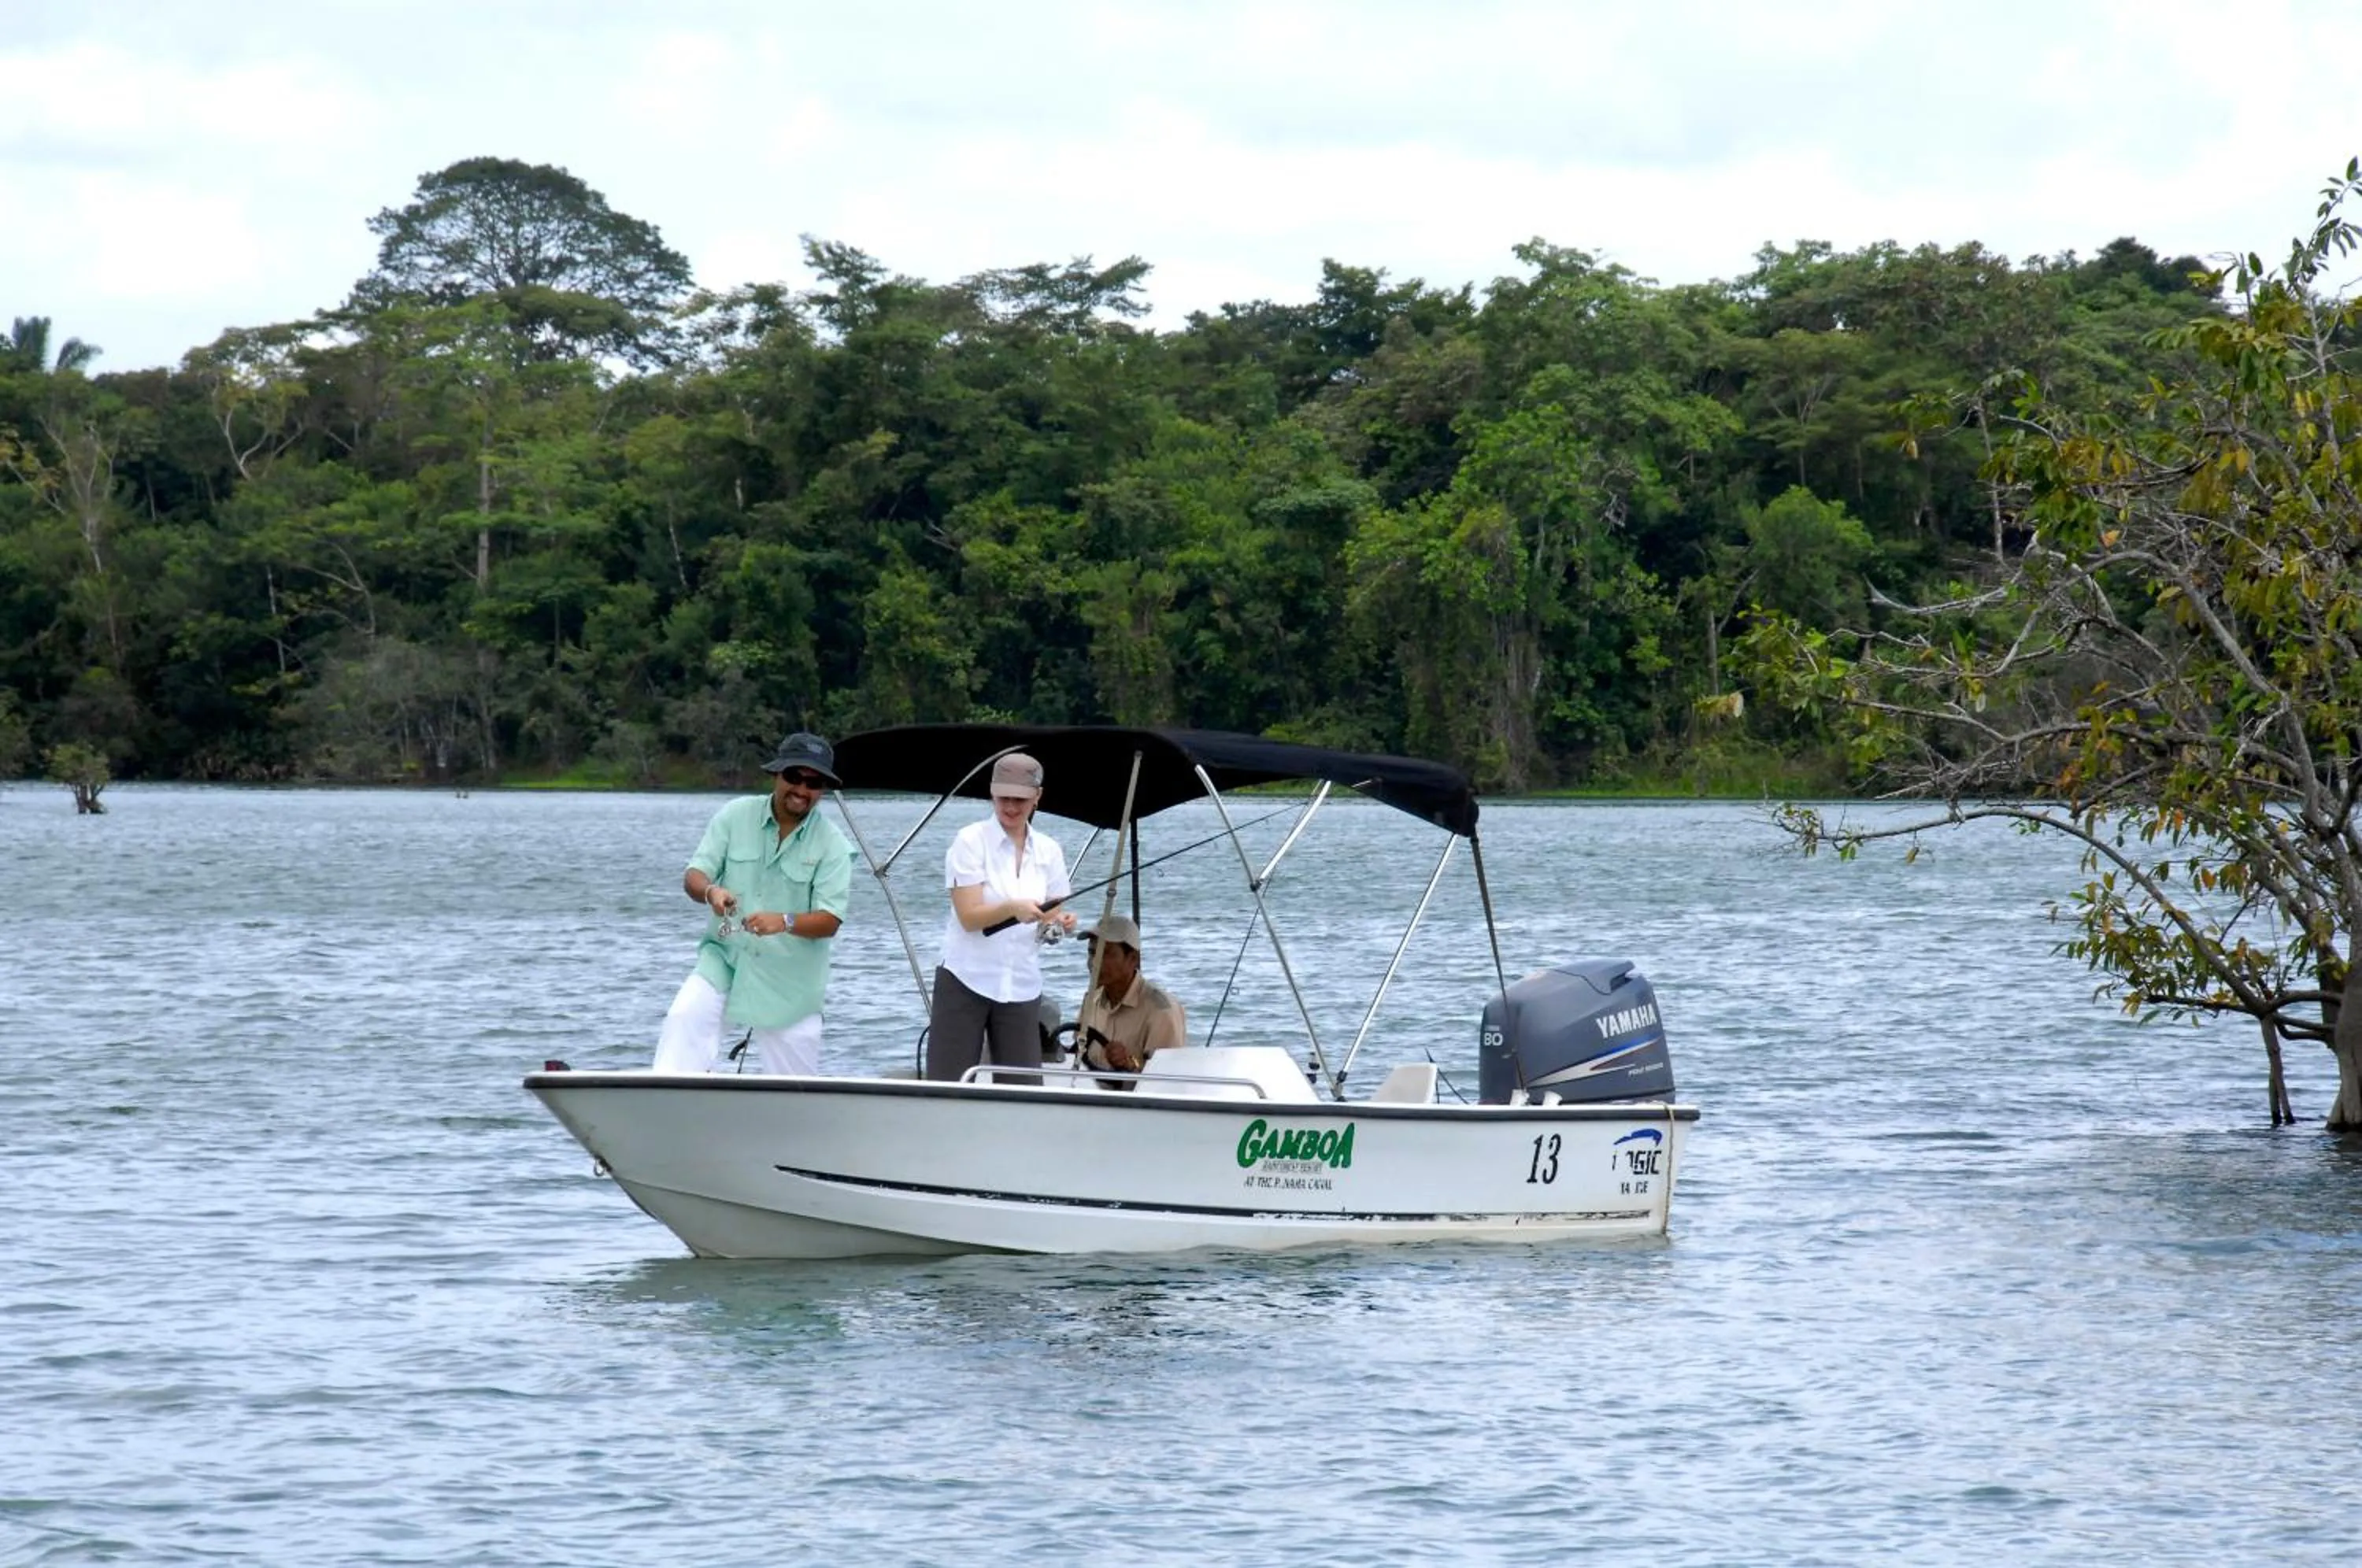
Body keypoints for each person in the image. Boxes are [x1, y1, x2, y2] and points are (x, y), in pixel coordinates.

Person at [652, 731, 854, 1075]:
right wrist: (711, 892)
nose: (802, 790)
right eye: (794, 777)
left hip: (791, 981)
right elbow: (694, 874)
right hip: (725, 959)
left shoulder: (834, 845)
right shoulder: (734, 815)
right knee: (683, 1017)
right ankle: (668, 1108)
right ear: (776, 775)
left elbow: (830, 920)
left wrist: (785, 922)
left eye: (814, 782)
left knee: (796, 1094)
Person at [927, 753, 1075, 1080]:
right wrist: (1013, 908)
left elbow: (1050, 915)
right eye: (1003, 797)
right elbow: (969, 917)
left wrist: (1059, 924)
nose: (1011, 807)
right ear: (992, 794)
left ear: (1038, 797)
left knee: (1023, 1091)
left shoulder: (1050, 850)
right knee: (948, 1086)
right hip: (965, 978)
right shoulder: (969, 840)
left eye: (1020, 799)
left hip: (1021, 985)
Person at [1075, 914, 1187, 1090]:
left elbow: (1166, 1083)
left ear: (1132, 959)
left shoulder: (1162, 1010)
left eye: (1106, 954)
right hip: (1091, 1099)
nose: (1094, 963)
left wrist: (1129, 1064)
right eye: (1092, 952)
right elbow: (1076, 1055)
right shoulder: (1091, 999)